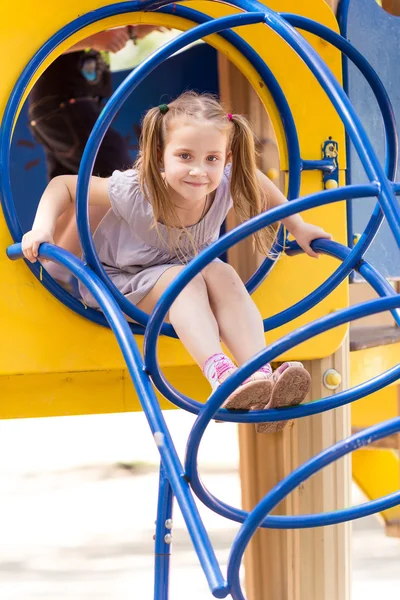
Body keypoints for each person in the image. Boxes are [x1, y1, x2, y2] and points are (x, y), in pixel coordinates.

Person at [21, 92, 332, 433]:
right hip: (120, 282)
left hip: (182, 275)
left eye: (212, 158)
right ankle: (222, 377)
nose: (199, 170)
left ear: (226, 159)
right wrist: (43, 229)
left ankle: (258, 375)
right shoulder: (135, 189)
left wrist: (298, 226)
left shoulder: (225, 181)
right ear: (160, 155)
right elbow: (64, 186)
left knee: (222, 272)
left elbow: (258, 181)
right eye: (185, 156)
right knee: (186, 281)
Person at [28, 25, 161, 284]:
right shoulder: (63, 15)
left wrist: (132, 30)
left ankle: (45, 266)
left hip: (71, 106)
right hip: (63, 103)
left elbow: (110, 35)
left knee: (75, 188)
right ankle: (57, 273)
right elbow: (40, 44)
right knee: (112, 176)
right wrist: (97, 37)